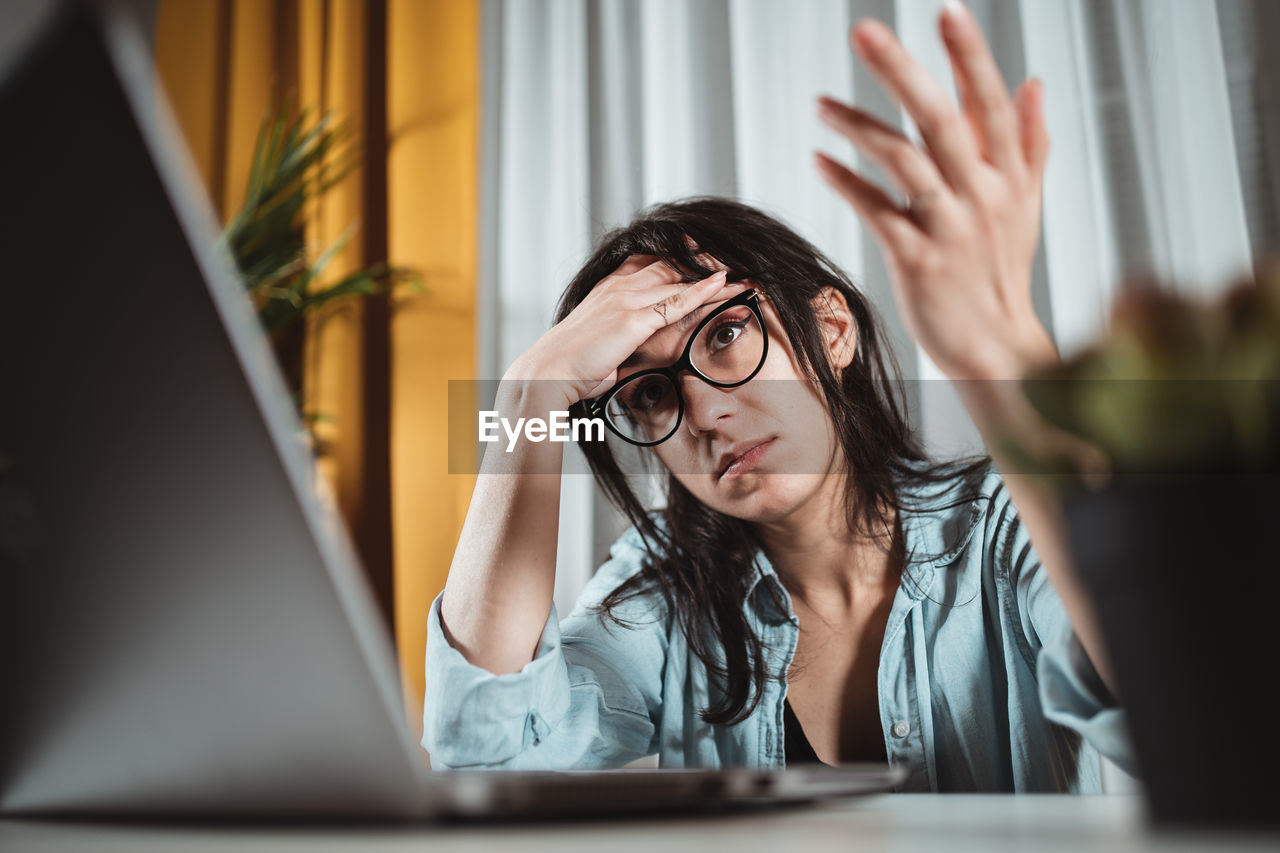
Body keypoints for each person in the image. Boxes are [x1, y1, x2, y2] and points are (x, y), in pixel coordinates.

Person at [423, 2, 1134, 791]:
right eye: (652, 392)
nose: (704, 413)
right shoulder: (666, 588)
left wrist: (1001, 350)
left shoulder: (1003, 530)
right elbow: (486, 759)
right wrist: (529, 392)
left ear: (831, 330)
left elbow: (1179, 708)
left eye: (724, 333)